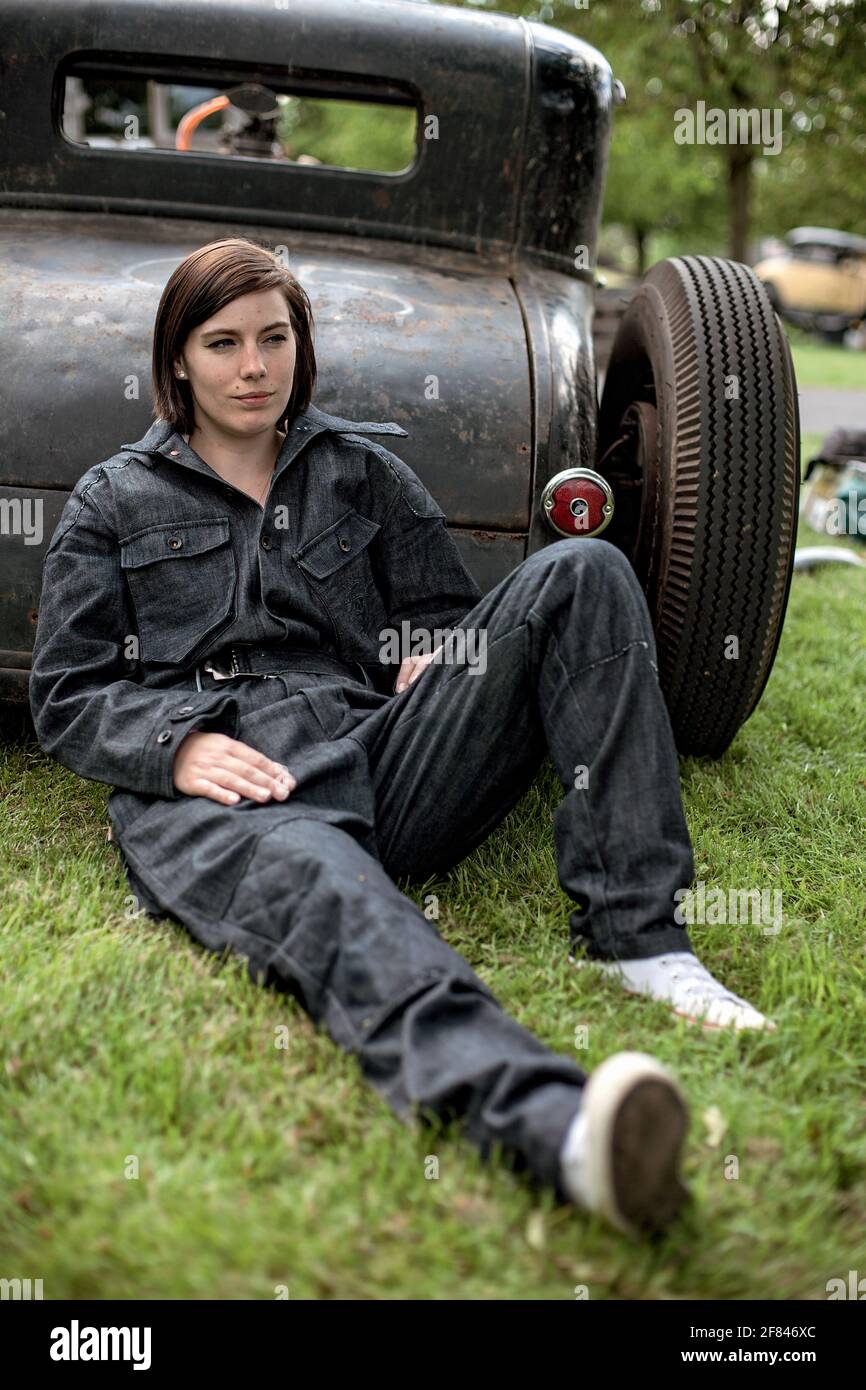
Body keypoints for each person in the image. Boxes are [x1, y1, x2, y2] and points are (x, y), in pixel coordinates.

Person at [28, 238, 773, 1241]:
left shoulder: (361, 473)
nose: (254, 367)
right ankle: (561, 1135)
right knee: (340, 899)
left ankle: (636, 937)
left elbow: (434, 618)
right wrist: (174, 747)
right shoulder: (112, 502)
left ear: (301, 346)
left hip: (374, 752)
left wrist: (431, 659)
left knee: (586, 570)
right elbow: (69, 693)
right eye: (223, 343)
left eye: (274, 338)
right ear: (178, 362)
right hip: (233, 785)